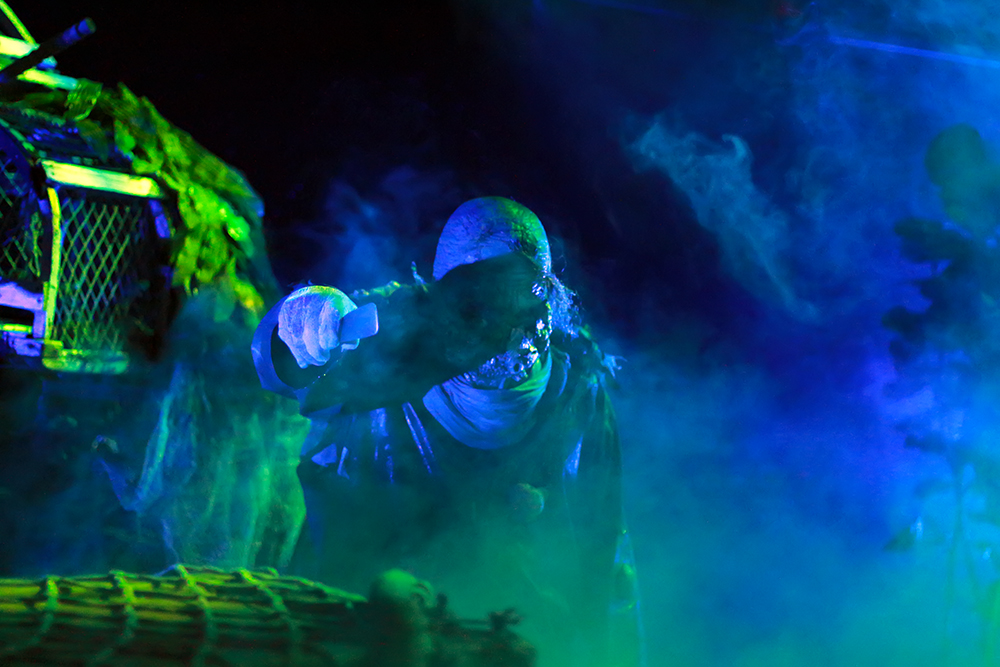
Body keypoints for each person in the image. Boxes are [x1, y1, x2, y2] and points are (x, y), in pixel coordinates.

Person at [252, 196, 641, 667]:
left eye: (526, 289)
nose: (510, 321)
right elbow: (281, 368)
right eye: (482, 292)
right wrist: (304, 317)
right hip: (366, 638)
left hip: (516, 640)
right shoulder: (390, 357)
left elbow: (603, 555)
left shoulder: (578, 394)